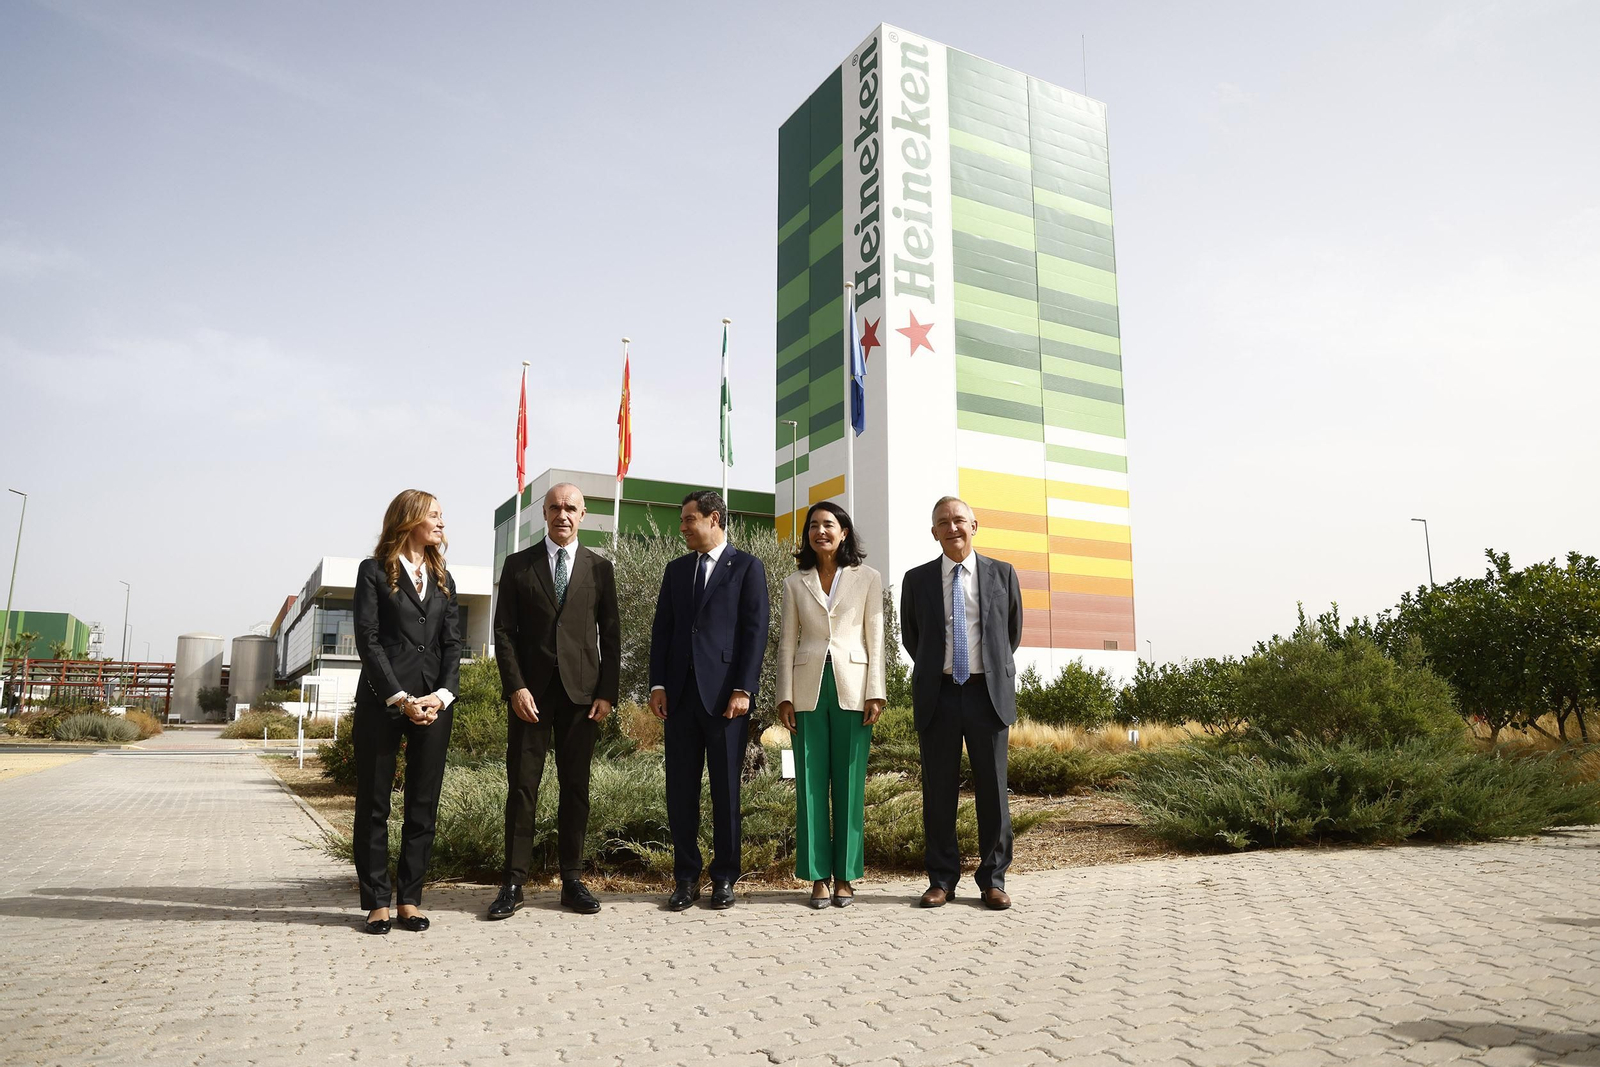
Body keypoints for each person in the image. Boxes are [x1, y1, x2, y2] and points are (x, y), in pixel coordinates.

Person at [487, 482, 620, 918]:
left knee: (576, 790)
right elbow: (503, 632)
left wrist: (607, 693)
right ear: (543, 514)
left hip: (582, 699)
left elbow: (612, 635)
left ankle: (572, 879)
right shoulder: (518, 565)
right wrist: (515, 686)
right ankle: (513, 882)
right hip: (532, 696)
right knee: (523, 788)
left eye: (571, 508)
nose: (563, 514)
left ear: (583, 515)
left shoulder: (600, 568)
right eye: (555, 507)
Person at [649, 490, 770, 911]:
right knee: (680, 792)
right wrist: (657, 684)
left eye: (688, 519)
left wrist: (744, 688)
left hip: (725, 700)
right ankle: (685, 878)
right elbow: (662, 631)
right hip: (679, 699)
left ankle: (724, 877)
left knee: (725, 793)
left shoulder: (748, 567)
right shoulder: (676, 570)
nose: (681, 527)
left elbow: (756, 632)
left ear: (713, 518)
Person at [900, 495, 1022, 910]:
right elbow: (912, 638)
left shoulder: (1002, 573)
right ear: (933, 531)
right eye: (942, 523)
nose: (951, 528)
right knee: (938, 792)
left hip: (988, 695)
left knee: (993, 792)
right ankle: (941, 879)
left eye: (958, 520)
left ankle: (993, 879)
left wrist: (985, 668)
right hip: (940, 694)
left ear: (974, 525)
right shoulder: (916, 579)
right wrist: (943, 669)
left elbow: (1011, 634)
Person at [351, 489, 461, 934]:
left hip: (434, 706)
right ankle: (377, 901)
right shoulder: (374, 572)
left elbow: (452, 644)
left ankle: (409, 900)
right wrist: (399, 697)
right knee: (375, 803)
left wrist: (441, 695)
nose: (441, 523)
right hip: (384, 703)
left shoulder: (443, 576)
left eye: (441, 516)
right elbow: (368, 639)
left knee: (422, 803)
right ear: (409, 520)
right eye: (434, 516)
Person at [775, 501, 886, 908]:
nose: (820, 531)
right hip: (806, 686)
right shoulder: (794, 582)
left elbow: (875, 635)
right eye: (813, 526)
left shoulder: (868, 577)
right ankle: (818, 876)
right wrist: (783, 695)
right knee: (809, 782)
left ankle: (847, 876)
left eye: (828, 525)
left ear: (843, 532)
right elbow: (787, 641)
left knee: (850, 782)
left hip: (854, 685)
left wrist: (877, 689)